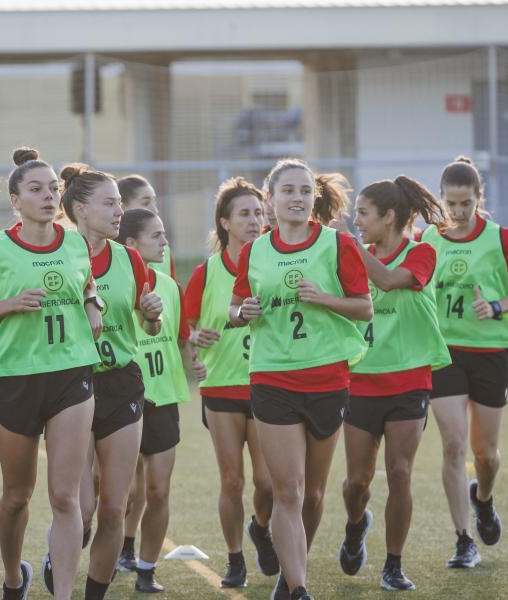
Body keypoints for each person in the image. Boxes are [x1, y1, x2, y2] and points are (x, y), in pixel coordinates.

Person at [0, 147, 103, 600]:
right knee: (17, 495)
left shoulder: (77, 242)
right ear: (15, 201)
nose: (48, 195)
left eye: (53, 188)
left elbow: (88, 286)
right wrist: (10, 306)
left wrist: (94, 307)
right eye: (36, 189)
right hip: (14, 379)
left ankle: (61, 594)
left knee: (65, 496)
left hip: (71, 374)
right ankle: (13, 578)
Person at [230, 158, 372, 600]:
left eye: (305, 191)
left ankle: (289, 574)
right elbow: (235, 310)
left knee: (311, 496)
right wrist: (242, 313)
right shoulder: (254, 251)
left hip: (328, 379)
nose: (297, 198)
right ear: (270, 199)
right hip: (272, 378)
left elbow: (364, 306)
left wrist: (325, 298)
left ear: (314, 198)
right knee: (286, 490)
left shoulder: (337, 244)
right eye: (288, 191)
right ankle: (299, 587)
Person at [39, 164, 162, 600]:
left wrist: (152, 314)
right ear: (79, 209)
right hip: (73, 385)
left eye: (120, 203)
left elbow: (148, 329)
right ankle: (61, 554)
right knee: (81, 505)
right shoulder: (58, 253)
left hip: (122, 384)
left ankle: (93, 593)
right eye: (109, 203)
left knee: (115, 506)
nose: (119, 212)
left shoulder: (129, 258)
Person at [420, 156, 508, 569]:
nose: (458, 212)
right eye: (451, 203)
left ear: (479, 198)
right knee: (453, 444)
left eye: (466, 203)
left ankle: (483, 497)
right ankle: (464, 539)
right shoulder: (429, 238)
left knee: (486, 454)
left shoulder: (500, 238)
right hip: (445, 352)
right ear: (442, 199)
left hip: (490, 352)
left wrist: (498, 306)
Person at [341, 176, 449, 591]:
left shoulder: (422, 253)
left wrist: (347, 246)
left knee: (400, 472)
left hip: (410, 381)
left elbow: (387, 280)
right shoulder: (356, 254)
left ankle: (393, 565)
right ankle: (355, 526)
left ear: (389, 217)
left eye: (363, 214)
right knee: (355, 483)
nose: (357, 222)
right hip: (361, 381)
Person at [182, 177, 278, 589]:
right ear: (224, 222)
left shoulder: (274, 262)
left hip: (266, 385)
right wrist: (194, 343)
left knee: (267, 482)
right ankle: (235, 558)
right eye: (245, 213)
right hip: (221, 387)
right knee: (232, 480)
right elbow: (186, 327)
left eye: (259, 212)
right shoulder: (207, 272)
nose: (255, 220)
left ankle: (261, 526)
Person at [116, 207, 205, 593]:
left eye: (164, 233)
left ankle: (147, 569)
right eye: (156, 235)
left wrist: (196, 358)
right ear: (131, 244)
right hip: (124, 399)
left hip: (164, 398)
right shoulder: (113, 284)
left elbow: (182, 335)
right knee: (120, 492)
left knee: (158, 490)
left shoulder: (169, 285)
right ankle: (116, 548)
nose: (165, 241)